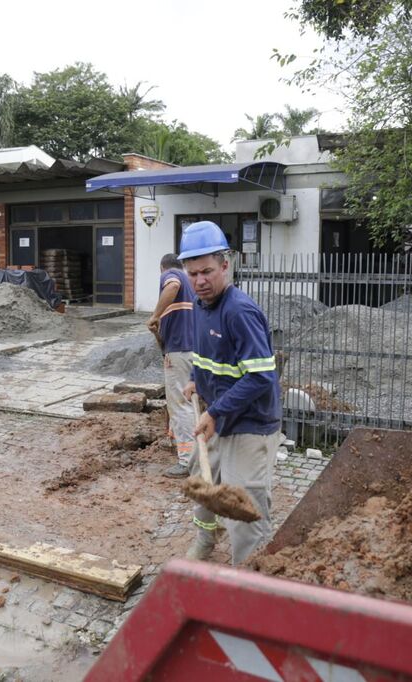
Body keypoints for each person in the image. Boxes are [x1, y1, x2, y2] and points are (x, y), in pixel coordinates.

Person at [177, 221, 283, 565]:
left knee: (244, 504)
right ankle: (206, 540)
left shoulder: (240, 311)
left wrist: (215, 412)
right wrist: (196, 377)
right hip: (218, 417)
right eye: (192, 273)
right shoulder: (199, 305)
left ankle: (249, 577)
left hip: (250, 424)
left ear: (226, 265)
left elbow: (261, 378)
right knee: (202, 484)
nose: (199, 281)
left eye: (207, 271)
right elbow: (205, 355)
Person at [146, 253, 196, 478]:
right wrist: (159, 329)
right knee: (191, 403)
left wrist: (155, 315)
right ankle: (195, 450)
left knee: (180, 405)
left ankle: (187, 461)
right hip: (190, 349)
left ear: (162, 268)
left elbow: (172, 284)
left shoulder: (172, 275)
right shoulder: (191, 284)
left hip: (180, 351)